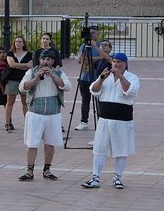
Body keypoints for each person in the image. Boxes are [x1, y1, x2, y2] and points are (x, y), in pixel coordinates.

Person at [81, 52, 139, 190]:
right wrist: (101, 79)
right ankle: (95, 178)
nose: (116, 64)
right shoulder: (105, 76)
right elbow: (93, 90)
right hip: (105, 119)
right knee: (99, 149)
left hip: (122, 120)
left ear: (125, 64)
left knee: (121, 149)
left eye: (119, 62)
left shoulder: (132, 77)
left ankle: (118, 178)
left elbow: (129, 91)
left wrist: (120, 76)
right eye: (114, 61)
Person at [18, 48, 69, 181]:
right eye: (43, 59)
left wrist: (52, 76)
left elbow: (67, 86)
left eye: (48, 59)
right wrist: (36, 78)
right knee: (32, 143)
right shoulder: (32, 71)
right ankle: (29, 170)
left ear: (52, 61)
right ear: (39, 60)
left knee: (50, 143)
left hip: (53, 114)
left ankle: (47, 169)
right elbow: (23, 87)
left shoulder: (58, 72)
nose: (45, 62)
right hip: (35, 113)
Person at [74, 26, 103, 131]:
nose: (92, 35)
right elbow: (81, 59)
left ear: (98, 34)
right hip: (84, 77)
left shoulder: (100, 46)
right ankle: (84, 121)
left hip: (97, 78)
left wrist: (92, 58)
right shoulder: (84, 46)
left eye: (94, 33)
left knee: (99, 101)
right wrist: (95, 59)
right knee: (85, 101)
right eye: (90, 33)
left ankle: (101, 121)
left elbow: (103, 57)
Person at [5, 35, 32, 130]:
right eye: (16, 41)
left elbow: (30, 66)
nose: (18, 43)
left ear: (23, 43)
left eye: (20, 41)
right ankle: (7, 123)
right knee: (10, 101)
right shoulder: (10, 53)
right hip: (12, 80)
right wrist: (24, 65)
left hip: (24, 80)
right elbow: (11, 64)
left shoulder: (29, 54)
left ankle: (27, 123)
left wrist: (17, 66)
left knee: (25, 102)